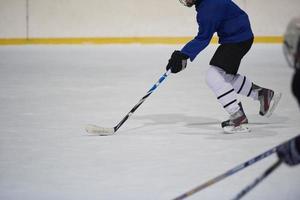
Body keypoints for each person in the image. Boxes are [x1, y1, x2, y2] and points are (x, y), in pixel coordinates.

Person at [166, 0, 281, 133]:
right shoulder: (206, 4)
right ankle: (262, 94)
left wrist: (183, 54)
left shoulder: (208, 8)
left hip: (237, 39)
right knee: (224, 77)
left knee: (213, 76)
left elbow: (203, 38)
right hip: (239, 37)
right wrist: (183, 55)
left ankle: (238, 117)